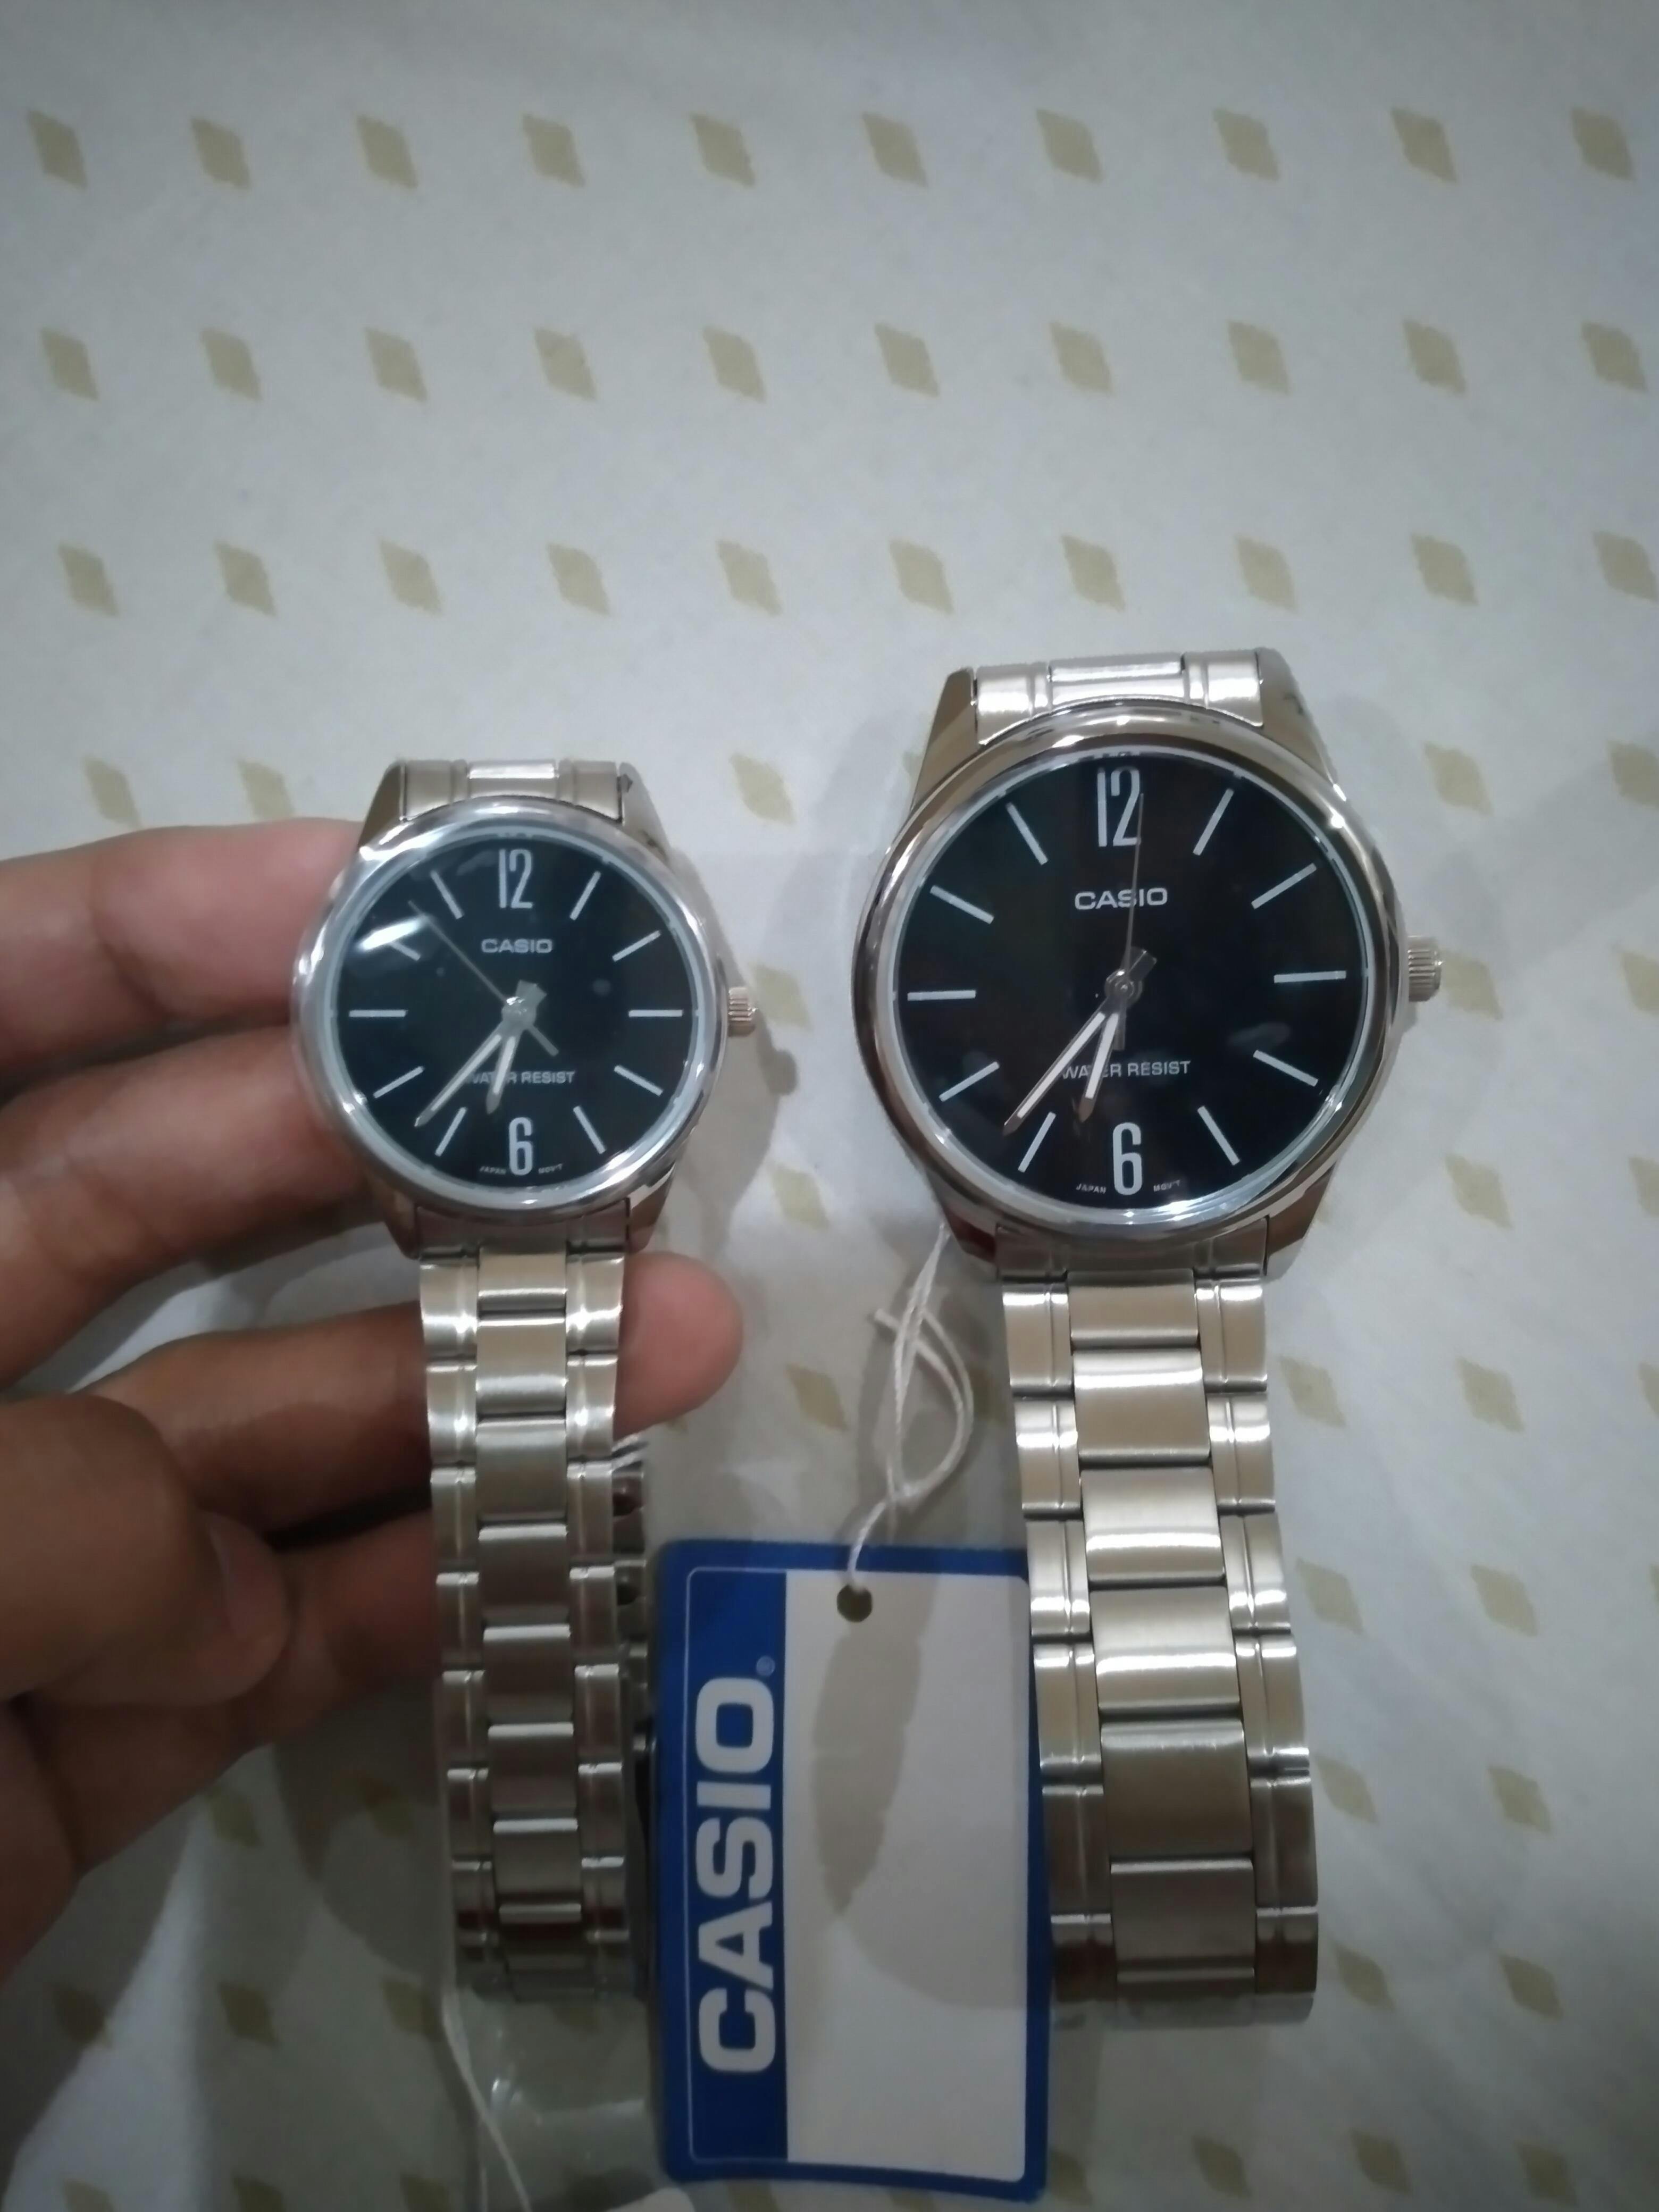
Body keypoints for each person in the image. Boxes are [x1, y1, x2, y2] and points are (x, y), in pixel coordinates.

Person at [0, 819, 742, 1982]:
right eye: (502, 1002)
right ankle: (552, 1926)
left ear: (712, 1014)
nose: (516, 1010)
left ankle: (565, 1921)